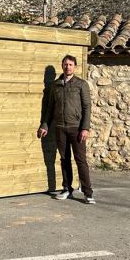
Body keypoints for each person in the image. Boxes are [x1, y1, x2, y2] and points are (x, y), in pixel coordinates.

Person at [38, 55, 95, 204]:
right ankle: (66, 189)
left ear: (74, 67)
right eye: (65, 64)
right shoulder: (55, 85)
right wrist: (45, 125)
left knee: (80, 160)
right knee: (64, 160)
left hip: (76, 129)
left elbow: (87, 107)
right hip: (60, 128)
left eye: (70, 64)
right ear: (62, 66)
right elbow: (50, 108)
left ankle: (88, 193)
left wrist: (85, 128)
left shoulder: (81, 85)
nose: (67, 67)